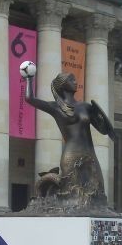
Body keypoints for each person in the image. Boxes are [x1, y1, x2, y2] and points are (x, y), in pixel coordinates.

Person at [23, 71, 115, 204]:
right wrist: (29, 78)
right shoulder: (55, 107)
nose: (76, 82)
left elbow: (103, 128)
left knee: (97, 191)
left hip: (89, 153)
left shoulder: (86, 107)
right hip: (71, 155)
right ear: (63, 85)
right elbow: (29, 98)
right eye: (72, 80)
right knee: (72, 194)